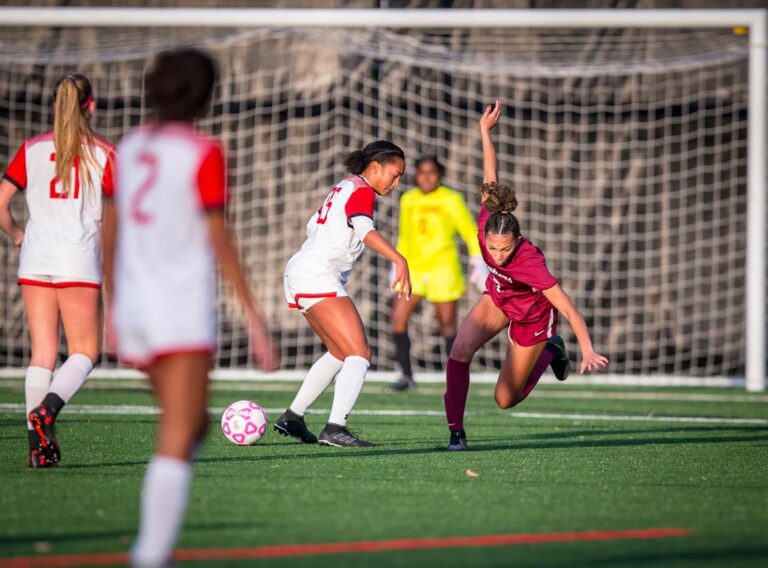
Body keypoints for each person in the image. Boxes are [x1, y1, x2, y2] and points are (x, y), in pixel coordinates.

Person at [102, 48, 277, 567]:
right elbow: (218, 238)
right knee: (178, 434)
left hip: (134, 306)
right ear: (205, 95)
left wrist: (114, 301)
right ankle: (150, 554)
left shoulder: (129, 147)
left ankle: (152, 549)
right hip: (179, 309)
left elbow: (109, 231)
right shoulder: (202, 152)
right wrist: (253, 315)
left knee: (190, 424)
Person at [444, 100, 608, 451]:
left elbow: (568, 309)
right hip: (498, 299)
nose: (498, 255)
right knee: (459, 351)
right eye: (492, 249)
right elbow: (491, 177)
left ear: (517, 240)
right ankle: (456, 433)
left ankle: (552, 349)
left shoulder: (530, 262)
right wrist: (484, 132)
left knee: (506, 399)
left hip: (531, 316)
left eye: (505, 250)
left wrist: (589, 349)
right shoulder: (489, 221)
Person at [0, 73, 114, 468]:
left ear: (55, 105)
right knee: (84, 351)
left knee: (42, 354)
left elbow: (1, 203)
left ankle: (38, 447)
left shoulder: (31, 148)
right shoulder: (104, 153)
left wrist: (17, 235)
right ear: (92, 106)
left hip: (36, 257)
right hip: (79, 258)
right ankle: (48, 409)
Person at [276, 140, 410, 447]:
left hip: (301, 271)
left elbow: (314, 226)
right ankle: (335, 428)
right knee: (360, 353)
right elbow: (364, 230)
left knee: (339, 352)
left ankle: (293, 417)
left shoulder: (345, 186)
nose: (397, 182)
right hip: (316, 274)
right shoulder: (362, 190)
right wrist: (399, 259)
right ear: (375, 167)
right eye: (395, 174)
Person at [387, 155, 487, 392]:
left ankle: (455, 378)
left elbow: (468, 230)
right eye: (422, 172)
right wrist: (396, 264)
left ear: (439, 175)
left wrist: (478, 260)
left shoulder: (451, 199)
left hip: (443, 268)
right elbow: (404, 235)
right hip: (414, 269)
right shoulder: (408, 199)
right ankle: (406, 376)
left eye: (431, 172)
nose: (426, 177)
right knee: (398, 320)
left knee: (447, 326)